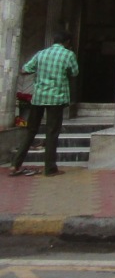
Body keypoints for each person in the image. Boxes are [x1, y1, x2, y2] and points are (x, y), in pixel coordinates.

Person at [9, 30, 79, 177]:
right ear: (67, 42)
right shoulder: (68, 55)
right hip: (56, 98)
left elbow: (25, 69)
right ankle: (50, 168)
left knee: (31, 131)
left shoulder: (41, 54)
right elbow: (74, 73)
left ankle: (15, 164)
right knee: (52, 133)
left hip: (39, 97)